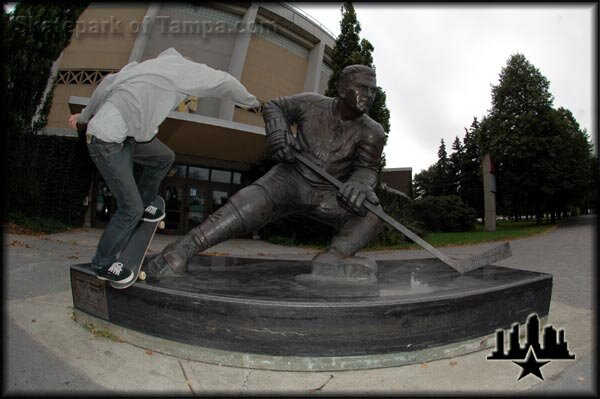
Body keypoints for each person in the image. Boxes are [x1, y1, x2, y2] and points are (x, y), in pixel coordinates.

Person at [145, 64, 386, 281]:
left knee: (372, 213)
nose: (369, 95)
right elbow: (275, 106)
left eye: (372, 90)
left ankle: (335, 257)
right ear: (343, 89)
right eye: (362, 88)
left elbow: (368, 167)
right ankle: (182, 250)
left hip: (328, 193)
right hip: (290, 178)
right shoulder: (312, 104)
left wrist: (358, 183)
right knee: (247, 204)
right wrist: (279, 133)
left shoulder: (372, 131)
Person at [68, 47, 259, 285]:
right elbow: (223, 81)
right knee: (130, 209)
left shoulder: (143, 65)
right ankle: (102, 263)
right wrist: (253, 103)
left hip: (125, 137)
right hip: (106, 141)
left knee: (163, 157)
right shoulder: (185, 71)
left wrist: (84, 116)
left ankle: (146, 203)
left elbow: (105, 85)